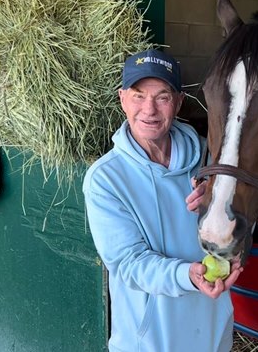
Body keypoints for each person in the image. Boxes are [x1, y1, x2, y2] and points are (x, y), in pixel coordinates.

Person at [83, 48, 243, 352]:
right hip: (149, 341)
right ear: (122, 99)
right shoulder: (105, 179)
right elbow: (129, 263)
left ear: (179, 102)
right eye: (138, 95)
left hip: (213, 332)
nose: (149, 110)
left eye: (163, 97)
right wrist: (188, 275)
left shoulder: (211, 159)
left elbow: (240, 227)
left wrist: (233, 239)